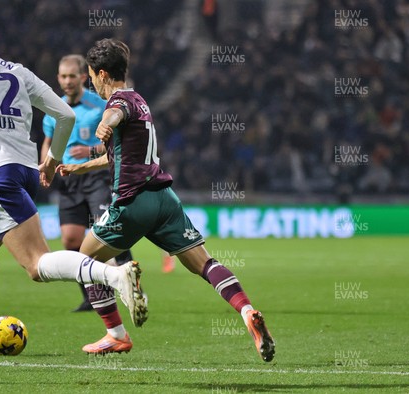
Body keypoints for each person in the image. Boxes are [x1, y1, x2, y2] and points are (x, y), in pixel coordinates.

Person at [0, 8, 146, 381]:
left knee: (37, 266)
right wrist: (53, 160)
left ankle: (114, 276)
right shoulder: (16, 70)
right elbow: (65, 116)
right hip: (23, 171)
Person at [55, 38, 275, 362]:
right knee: (205, 264)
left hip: (131, 202)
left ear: (101, 74)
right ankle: (247, 311)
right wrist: (80, 167)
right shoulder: (140, 100)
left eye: (90, 77)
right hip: (164, 199)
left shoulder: (119, 101)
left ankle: (116, 334)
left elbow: (114, 115)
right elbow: (119, 156)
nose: (91, 84)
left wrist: (104, 124)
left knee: (82, 261)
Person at [41, 54, 134, 312]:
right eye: (63, 76)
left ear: (83, 77)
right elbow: (48, 142)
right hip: (68, 179)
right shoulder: (54, 109)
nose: (67, 81)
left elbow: (116, 141)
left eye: (72, 76)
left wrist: (91, 152)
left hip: (96, 177)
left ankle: (133, 283)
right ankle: (91, 298)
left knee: (108, 233)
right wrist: (46, 168)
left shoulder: (98, 104)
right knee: (71, 241)